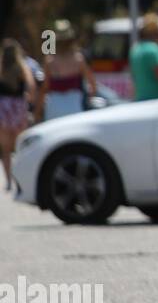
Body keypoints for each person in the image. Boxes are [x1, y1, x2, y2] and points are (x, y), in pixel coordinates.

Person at [0, 39, 38, 190]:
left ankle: (9, 180)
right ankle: (20, 181)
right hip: (18, 107)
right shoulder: (22, 67)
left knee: (6, 149)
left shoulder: (1, 68)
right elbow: (31, 87)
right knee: (20, 147)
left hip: (2, 108)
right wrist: (31, 104)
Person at [41, 20, 98, 120]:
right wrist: (87, 99)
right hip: (74, 107)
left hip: (54, 108)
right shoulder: (78, 59)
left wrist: (38, 111)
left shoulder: (49, 61)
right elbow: (92, 84)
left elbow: (45, 88)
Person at [130, 14, 158, 101]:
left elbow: (133, 75)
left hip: (140, 98)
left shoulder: (135, 49)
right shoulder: (153, 49)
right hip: (155, 100)